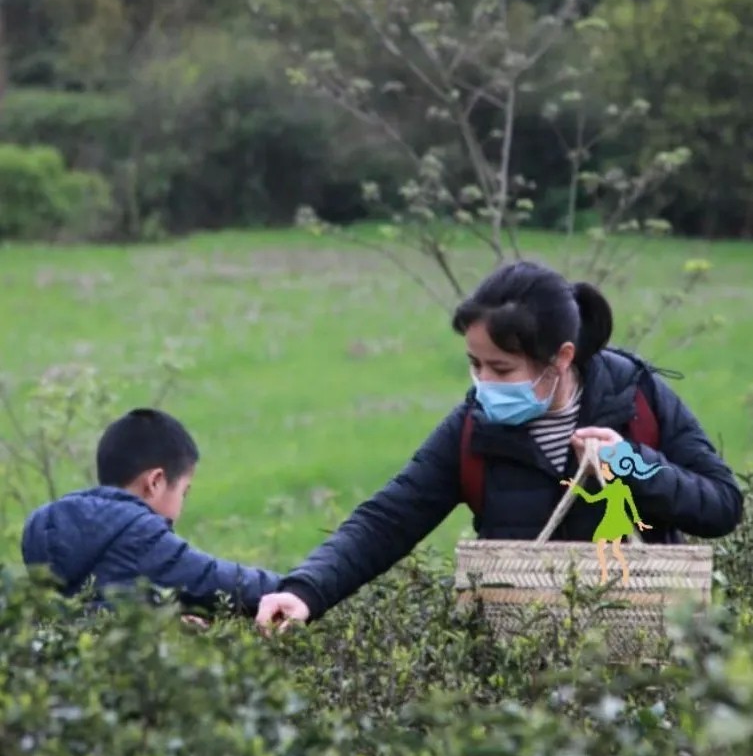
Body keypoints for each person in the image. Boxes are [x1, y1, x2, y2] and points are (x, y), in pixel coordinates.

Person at [256, 260, 743, 630]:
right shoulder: (472, 427)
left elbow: (722, 506)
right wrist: (306, 591)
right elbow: (389, 518)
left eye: (502, 369)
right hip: (518, 670)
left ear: (561, 358)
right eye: (475, 365)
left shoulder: (637, 399)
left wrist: (635, 468)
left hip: (642, 660)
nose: (484, 383)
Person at [21, 408, 281, 615]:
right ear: (155, 482)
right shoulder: (139, 536)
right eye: (183, 493)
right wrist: (300, 587)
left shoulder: (41, 526)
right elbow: (217, 581)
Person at [561, 439, 661, 584]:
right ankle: (605, 577)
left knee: (616, 551)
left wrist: (638, 522)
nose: (605, 472)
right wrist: (575, 488)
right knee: (601, 549)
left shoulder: (622, 489)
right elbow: (591, 498)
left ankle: (625, 575)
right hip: (609, 521)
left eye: (607, 470)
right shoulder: (609, 489)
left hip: (618, 521)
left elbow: (631, 506)